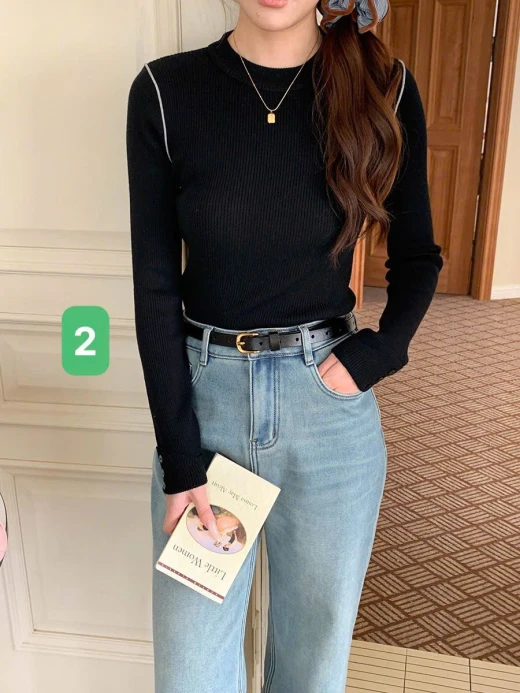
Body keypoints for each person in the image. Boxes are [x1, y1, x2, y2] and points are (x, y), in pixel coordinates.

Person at [125, 1, 444, 691]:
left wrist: (379, 353)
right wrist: (180, 458)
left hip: (328, 414)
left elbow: (418, 255)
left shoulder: (383, 87)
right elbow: (154, 287)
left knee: (312, 671)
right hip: (204, 411)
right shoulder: (165, 92)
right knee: (189, 674)